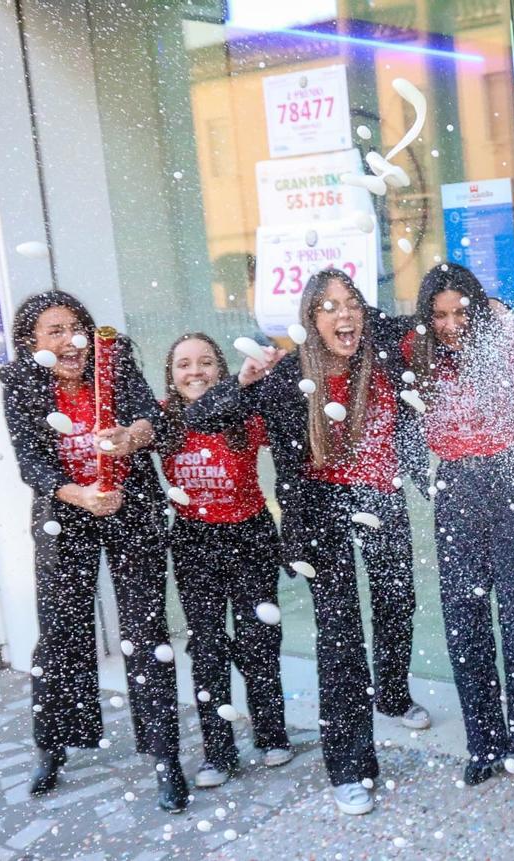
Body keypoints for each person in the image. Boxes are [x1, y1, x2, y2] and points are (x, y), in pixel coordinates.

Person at [187, 268, 428, 815]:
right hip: (319, 509)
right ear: (310, 320)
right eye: (329, 307)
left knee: (397, 604)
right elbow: (201, 416)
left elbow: (435, 318)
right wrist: (244, 380)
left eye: (351, 304)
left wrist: (495, 310)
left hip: (381, 499)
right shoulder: (287, 373)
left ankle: (391, 692)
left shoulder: (386, 349)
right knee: (339, 635)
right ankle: (349, 766)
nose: (343, 316)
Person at [0, 290, 187, 812]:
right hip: (66, 509)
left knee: (146, 632)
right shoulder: (19, 382)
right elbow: (30, 464)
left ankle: (163, 755)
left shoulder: (114, 355)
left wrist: (134, 435)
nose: (68, 340)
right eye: (53, 332)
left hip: (130, 503)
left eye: (74, 327)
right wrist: (79, 494)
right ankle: (53, 741)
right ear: (33, 345)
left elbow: (155, 421)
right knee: (62, 628)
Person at [403, 262, 514, 788]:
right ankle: (484, 742)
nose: (453, 324)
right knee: (465, 624)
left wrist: (501, 318)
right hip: (457, 490)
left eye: (462, 312)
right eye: (441, 315)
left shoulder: (503, 341)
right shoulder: (415, 354)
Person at [160, 332, 292, 789]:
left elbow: (290, 437)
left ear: (221, 371)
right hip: (194, 542)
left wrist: (274, 379)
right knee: (208, 646)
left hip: (250, 534)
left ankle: (272, 733)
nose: (194, 371)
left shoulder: (242, 411)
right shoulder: (162, 418)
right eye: (183, 364)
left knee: (259, 639)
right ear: (171, 375)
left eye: (205, 363)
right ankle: (218, 750)